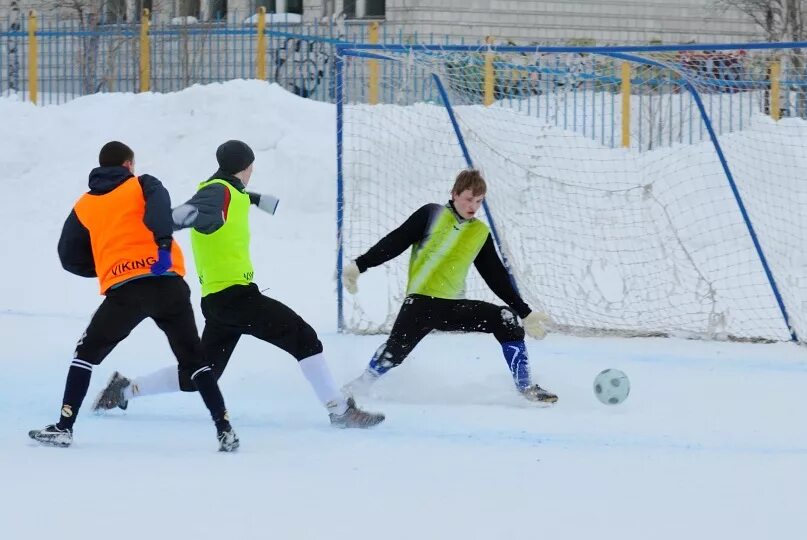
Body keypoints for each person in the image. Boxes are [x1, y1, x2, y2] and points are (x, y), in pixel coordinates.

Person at [93, 140, 385, 429]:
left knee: (200, 374)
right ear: (248, 166)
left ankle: (124, 389)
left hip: (219, 301)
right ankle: (338, 410)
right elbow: (183, 214)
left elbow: (234, 195)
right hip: (236, 298)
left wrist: (256, 199)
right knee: (304, 338)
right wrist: (165, 224)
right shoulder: (216, 193)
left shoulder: (228, 190)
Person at [29, 141, 239, 451]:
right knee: (194, 358)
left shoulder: (84, 205)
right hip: (168, 283)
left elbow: (68, 255)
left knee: (86, 354)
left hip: (127, 291)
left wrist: (108, 266)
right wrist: (164, 244)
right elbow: (159, 211)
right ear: (128, 165)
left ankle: (64, 426)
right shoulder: (142, 184)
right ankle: (224, 428)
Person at [341, 169, 558, 403]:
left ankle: (526, 388)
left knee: (506, 320)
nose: (473, 206)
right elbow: (396, 241)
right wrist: (360, 265)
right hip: (420, 304)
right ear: (454, 194)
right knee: (395, 352)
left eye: (479, 201)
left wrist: (524, 312)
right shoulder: (431, 214)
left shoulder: (479, 232)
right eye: (468, 199)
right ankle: (357, 387)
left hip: (452, 308)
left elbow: (495, 275)